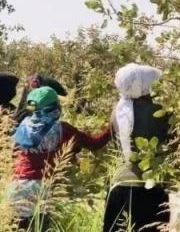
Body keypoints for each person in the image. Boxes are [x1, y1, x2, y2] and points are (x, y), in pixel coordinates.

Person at [8, 86, 111, 230]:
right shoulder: (62, 129)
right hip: (40, 189)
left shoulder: (23, 126)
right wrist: (112, 127)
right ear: (54, 107)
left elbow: (13, 155)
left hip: (16, 187)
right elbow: (94, 144)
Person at [103, 63, 173, 232]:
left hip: (119, 185)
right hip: (150, 186)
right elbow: (175, 143)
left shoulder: (118, 112)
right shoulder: (160, 112)